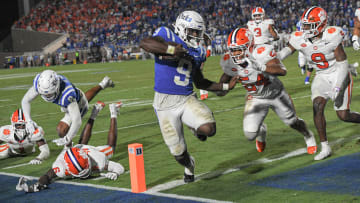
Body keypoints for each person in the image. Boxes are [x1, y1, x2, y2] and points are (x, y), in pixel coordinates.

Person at [139, 10, 238, 183]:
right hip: (164, 104)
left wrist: (225, 86)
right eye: (193, 31)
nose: (196, 36)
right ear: (182, 28)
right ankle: (189, 165)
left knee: (209, 129)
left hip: (186, 99)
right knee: (179, 154)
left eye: (198, 32)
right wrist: (171, 49)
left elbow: (200, 82)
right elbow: (146, 43)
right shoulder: (167, 34)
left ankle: (193, 125)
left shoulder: (197, 52)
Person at [278, 6, 360, 160]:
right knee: (317, 106)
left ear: (321, 24)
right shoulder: (299, 37)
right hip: (321, 75)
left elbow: (343, 64)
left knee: (343, 115)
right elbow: (285, 51)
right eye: (305, 25)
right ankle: (325, 146)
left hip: (338, 73)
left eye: (310, 25)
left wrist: (337, 86)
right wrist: (273, 57)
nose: (306, 28)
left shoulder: (332, 35)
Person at [218, 28, 316, 154]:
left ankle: (308, 135)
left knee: (292, 122)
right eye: (232, 49)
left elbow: (282, 70)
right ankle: (261, 130)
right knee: (250, 134)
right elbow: (221, 88)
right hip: (255, 97)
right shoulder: (231, 61)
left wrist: (261, 67)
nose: (235, 53)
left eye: (238, 49)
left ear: (249, 45)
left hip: (275, 93)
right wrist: (225, 87)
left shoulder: (262, 52)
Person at [16, 101, 124, 193]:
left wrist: (115, 172)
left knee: (110, 148)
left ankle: (112, 112)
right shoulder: (61, 167)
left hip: (87, 151)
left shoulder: (98, 159)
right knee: (81, 142)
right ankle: (95, 111)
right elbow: (47, 176)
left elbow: (119, 167)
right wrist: (36, 185)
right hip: (70, 151)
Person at [21, 70, 114, 148]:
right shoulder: (40, 83)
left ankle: (69, 150)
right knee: (85, 98)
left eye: (49, 94)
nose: (47, 96)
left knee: (62, 130)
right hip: (74, 97)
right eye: (44, 94)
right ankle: (103, 84)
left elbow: (77, 121)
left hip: (78, 103)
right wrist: (28, 121)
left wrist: (68, 138)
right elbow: (25, 101)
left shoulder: (67, 94)